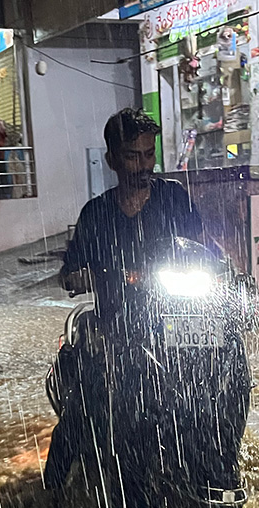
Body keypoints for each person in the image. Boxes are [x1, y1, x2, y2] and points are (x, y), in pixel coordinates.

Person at [58, 107, 203, 336]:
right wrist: (78, 278)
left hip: (176, 323)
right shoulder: (95, 214)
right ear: (112, 160)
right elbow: (68, 274)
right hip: (114, 329)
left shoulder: (174, 198)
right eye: (132, 157)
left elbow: (202, 247)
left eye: (149, 154)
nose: (144, 165)